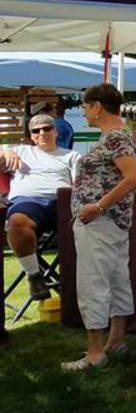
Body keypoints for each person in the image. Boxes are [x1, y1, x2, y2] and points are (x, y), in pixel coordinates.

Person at [63, 83, 136, 371]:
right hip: (112, 222)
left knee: (92, 282)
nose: (83, 111)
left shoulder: (115, 137)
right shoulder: (118, 135)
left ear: (97, 106)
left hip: (100, 221)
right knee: (117, 278)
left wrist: (97, 206)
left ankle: (95, 351)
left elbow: (133, 177)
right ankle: (116, 340)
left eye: (85, 106)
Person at [1, 113, 80, 301]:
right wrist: (4, 152)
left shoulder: (71, 155)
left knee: (87, 226)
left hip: (62, 202)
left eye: (47, 128)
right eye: (36, 131)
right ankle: (35, 276)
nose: (42, 133)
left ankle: (80, 288)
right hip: (28, 202)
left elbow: (79, 185)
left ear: (56, 131)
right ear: (31, 136)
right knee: (16, 222)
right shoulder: (20, 151)